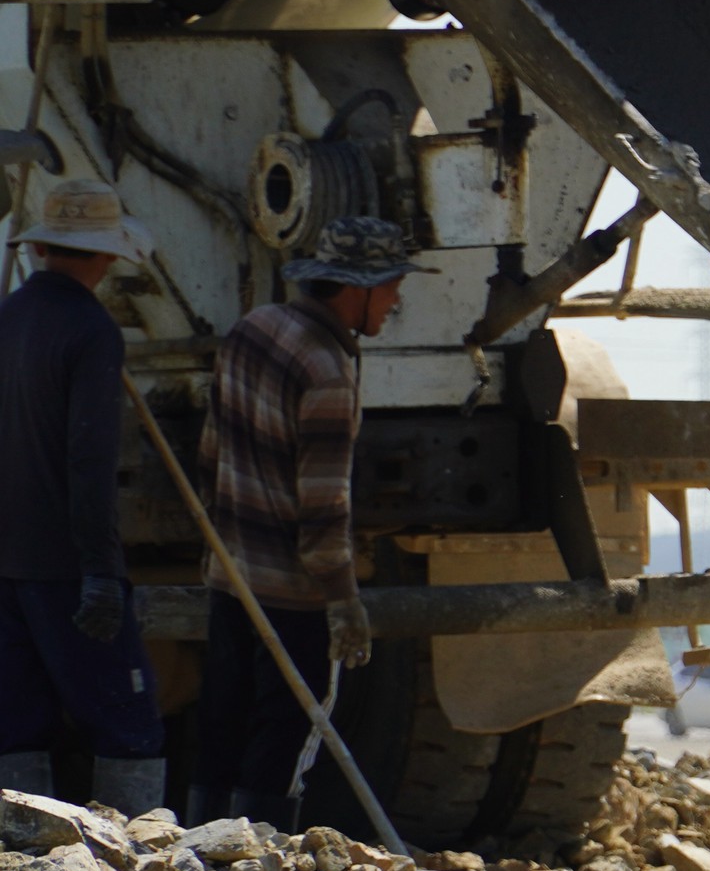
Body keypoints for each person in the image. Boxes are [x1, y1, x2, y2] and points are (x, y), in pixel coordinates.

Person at [188, 217, 431, 828]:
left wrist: (219, 549)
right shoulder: (327, 370)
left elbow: (210, 458)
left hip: (232, 579)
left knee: (221, 719)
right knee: (288, 732)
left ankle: (195, 861)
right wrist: (345, 603)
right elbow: (323, 510)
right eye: (394, 286)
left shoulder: (251, 331)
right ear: (360, 288)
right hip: (293, 596)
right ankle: (258, 866)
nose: (397, 301)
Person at [0, 182, 167, 815]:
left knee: (17, 725)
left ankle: (25, 862)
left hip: (7, 564)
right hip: (66, 565)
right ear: (104, 257)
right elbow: (89, 460)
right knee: (130, 725)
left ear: (41, 245)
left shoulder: (7, 316)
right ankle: (135, 867)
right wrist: (100, 570)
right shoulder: (91, 329)